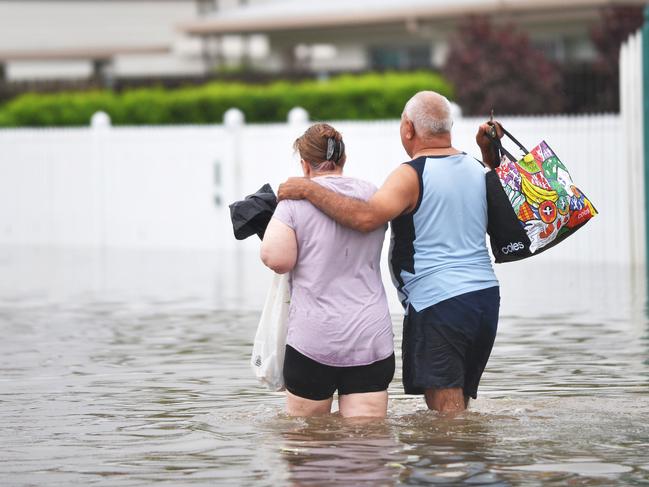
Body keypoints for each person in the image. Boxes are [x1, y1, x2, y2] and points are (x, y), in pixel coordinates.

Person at [277, 91, 503, 413]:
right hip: (484, 299)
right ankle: (467, 459)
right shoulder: (475, 166)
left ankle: (453, 456)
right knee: (458, 404)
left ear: (408, 128)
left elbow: (365, 218)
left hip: (440, 302)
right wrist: (488, 151)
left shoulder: (412, 174)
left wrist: (307, 187)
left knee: (445, 414)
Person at [260, 123, 395, 418]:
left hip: (314, 338)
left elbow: (277, 259)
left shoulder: (293, 202)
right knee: (366, 445)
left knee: (306, 445)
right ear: (343, 159)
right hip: (370, 337)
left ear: (304, 164)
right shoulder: (372, 195)